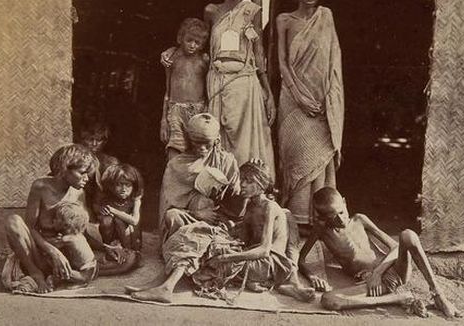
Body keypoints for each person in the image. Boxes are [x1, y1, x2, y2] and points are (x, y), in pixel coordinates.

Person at [126, 160, 314, 304]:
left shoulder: (269, 207)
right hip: (254, 258)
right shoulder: (250, 205)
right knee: (199, 236)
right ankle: (161, 285)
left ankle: (166, 287)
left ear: (261, 184)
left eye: (248, 181)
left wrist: (225, 257)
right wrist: (228, 231)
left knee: (207, 248)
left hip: (267, 264)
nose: (243, 184)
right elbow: (245, 239)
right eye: (243, 180)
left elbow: (263, 250)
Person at [162, 0, 276, 179]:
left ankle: (246, 189)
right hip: (216, 80)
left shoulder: (251, 12)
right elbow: (199, 45)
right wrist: (172, 52)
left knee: (245, 142)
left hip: (244, 82)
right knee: (217, 137)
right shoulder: (211, 11)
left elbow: (257, 50)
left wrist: (267, 90)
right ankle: (220, 191)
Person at [299, 187, 463, 318]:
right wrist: (312, 276)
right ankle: (397, 298)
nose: (340, 219)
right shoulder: (321, 230)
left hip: (393, 271)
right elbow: (301, 259)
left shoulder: (359, 220)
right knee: (328, 300)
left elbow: (396, 247)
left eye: (341, 212)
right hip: (369, 282)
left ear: (345, 202)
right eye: (332, 217)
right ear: (321, 217)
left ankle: (439, 295)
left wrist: (377, 273)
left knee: (408, 235)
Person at [276, 0, 344, 228]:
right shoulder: (284, 20)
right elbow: (282, 62)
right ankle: (297, 216)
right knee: (297, 154)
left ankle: (321, 216)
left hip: (322, 100)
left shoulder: (326, 17)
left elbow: (333, 61)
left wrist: (328, 100)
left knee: (319, 155)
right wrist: (298, 95)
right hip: (294, 100)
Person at [4, 144, 98, 293]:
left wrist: (106, 248)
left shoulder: (79, 193)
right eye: (82, 173)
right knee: (13, 221)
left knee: (125, 260)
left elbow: (81, 231)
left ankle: (61, 275)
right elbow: (30, 228)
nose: (87, 178)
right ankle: (35, 273)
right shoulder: (40, 187)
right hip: (41, 253)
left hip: (67, 257)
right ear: (64, 169)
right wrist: (54, 252)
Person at [158, 112, 241, 241]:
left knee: (231, 226)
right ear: (188, 140)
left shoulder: (227, 161)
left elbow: (235, 203)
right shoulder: (176, 165)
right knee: (172, 216)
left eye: (207, 143)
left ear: (216, 140)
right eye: (197, 143)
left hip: (216, 219)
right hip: (189, 218)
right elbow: (168, 208)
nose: (202, 148)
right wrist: (198, 214)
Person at [160, 18, 210, 161]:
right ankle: (171, 181)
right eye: (189, 40)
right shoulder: (172, 58)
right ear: (180, 38)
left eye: (197, 42)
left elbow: (209, 88)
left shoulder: (204, 61)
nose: (192, 45)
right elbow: (167, 90)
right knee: (174, 148)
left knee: (198, 151)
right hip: (175, 110)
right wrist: (163, 120)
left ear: (202, 45)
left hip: (198, 110)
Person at [46, 202, 98, 289]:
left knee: (51, 261)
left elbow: (51, 244)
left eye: (56, 218)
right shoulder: (78, 235)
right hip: (93, 269)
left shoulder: (67, 239)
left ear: (66, 224)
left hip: (83, 275)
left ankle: (56, 279)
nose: (53, 220)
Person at [93, 163, 143, 251]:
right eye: (119, 185)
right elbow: (95, 207)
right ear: (111, 186)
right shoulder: (108, 200)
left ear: (133, 186)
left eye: (128, 185)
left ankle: (131, 251)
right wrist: (100, 209)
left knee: (119, 221)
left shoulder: (134, 201)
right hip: (114, 239)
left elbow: (134, 221)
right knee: (106, 221)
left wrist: (113, 210)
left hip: (131, 237)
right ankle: (109, 247)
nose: (123, 189)